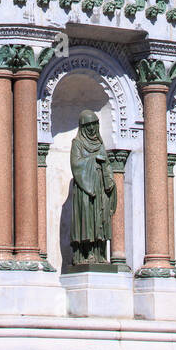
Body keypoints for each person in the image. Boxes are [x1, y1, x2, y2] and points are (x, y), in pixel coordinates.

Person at [69, 109, 117, 265]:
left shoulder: (100, 144)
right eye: (88, 125)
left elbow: (108, 164)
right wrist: (94, 160)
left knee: (101, 220)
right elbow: (76, 164)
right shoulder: (78, 143)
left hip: (100, 186)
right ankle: (86, 253)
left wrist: (109, 180)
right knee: (87, 221)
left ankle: (100, 253)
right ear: (83, 127)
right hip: (86, 189)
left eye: (94, 124)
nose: (91, 128)